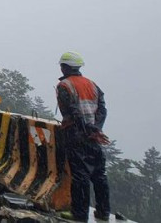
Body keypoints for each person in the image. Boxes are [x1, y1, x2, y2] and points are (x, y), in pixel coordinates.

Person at [56, 51, 111, 221]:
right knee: (99, 175)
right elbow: (102, 109)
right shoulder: (92, 84)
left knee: (80, 176)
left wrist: (85, 129)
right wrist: (96, 128)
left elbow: (70, 112)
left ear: (65, 67)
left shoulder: (64, 86)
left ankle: (79, 214)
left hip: (76, 135)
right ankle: (103, 212)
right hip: (94, 137)